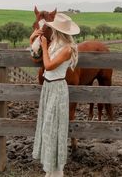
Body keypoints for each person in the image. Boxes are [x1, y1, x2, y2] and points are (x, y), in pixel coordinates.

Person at [30, 12, 80, 177]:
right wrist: (33, 39)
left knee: (54, 128)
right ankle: (50, 170)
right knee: (47, 127)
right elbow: (36, 58)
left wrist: (44, 46)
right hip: (48, 88)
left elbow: (49, 66)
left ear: (58, 31)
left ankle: (57, 172)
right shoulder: (55, 44)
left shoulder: (67, 49)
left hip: (57, 88)